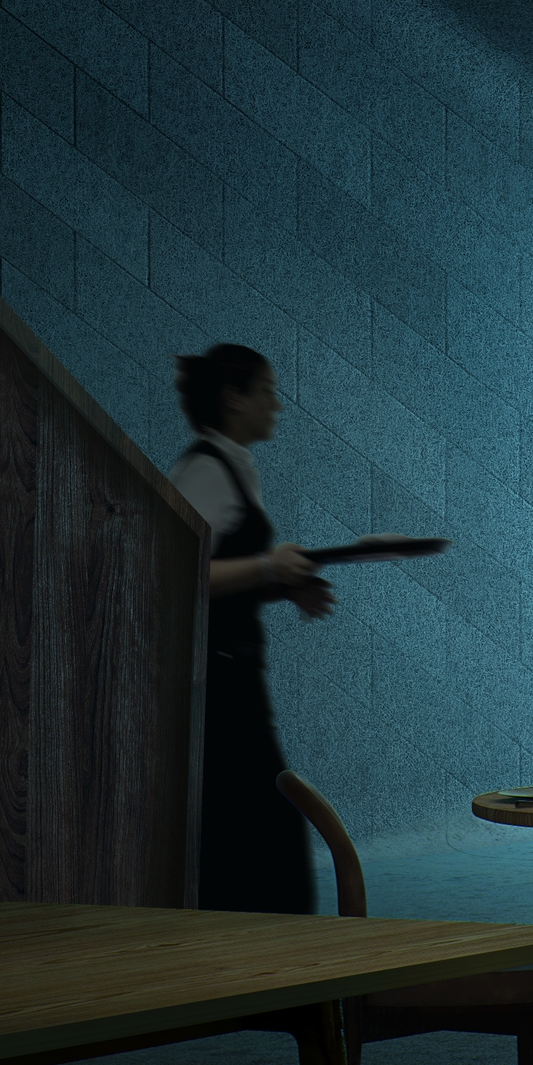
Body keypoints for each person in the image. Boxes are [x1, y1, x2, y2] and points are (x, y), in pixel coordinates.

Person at [168, 344, 330, 914]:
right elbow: (173, 571)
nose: (278, 404)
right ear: (235, 398)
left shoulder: (227, 466)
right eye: (267, 390)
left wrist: (279, 586)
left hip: (230, 678)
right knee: (264, 832)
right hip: (216, 685)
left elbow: (216, 575)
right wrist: (268, 568)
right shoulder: (206, 473)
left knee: (256, 831)